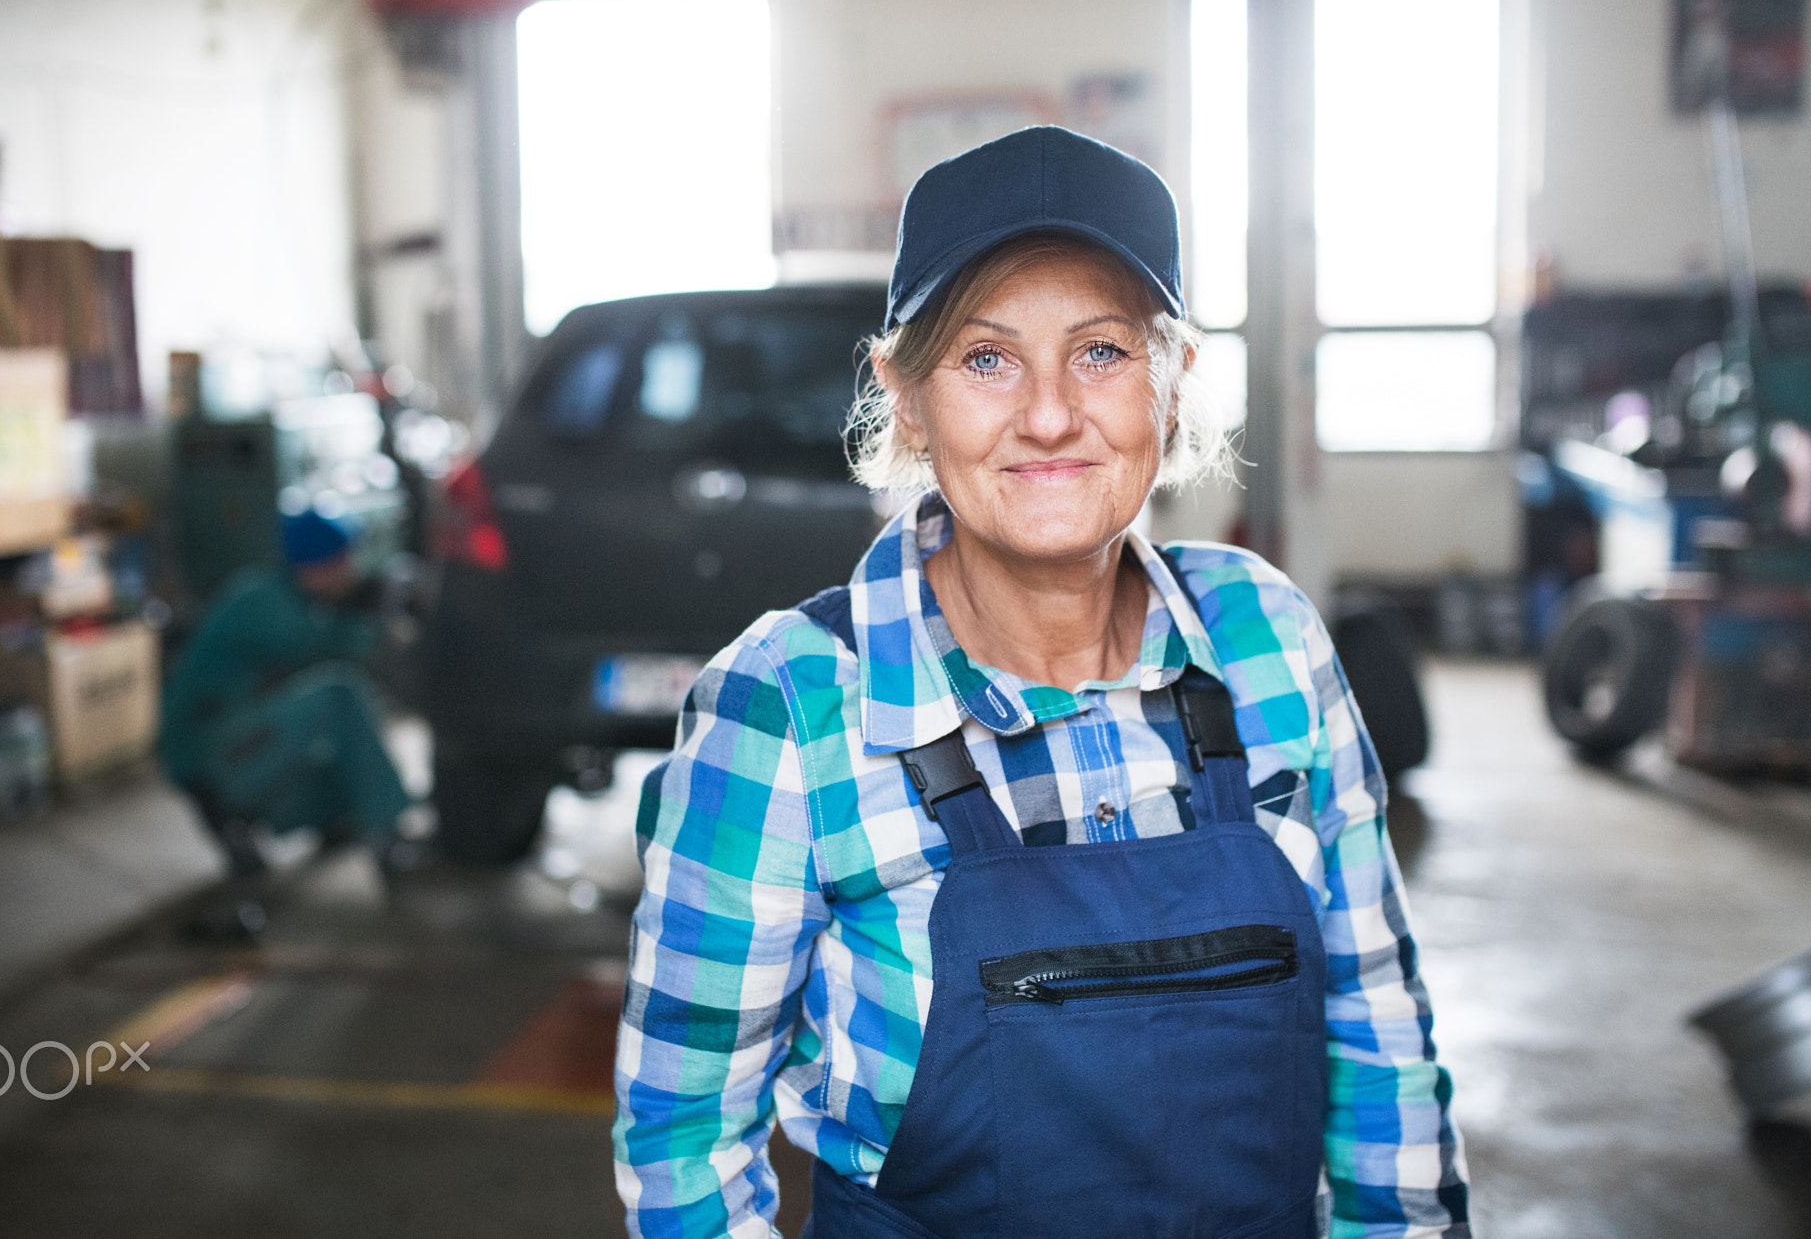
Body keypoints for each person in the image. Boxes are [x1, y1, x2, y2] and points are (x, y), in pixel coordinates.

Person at [613, 126, 1469, 1238]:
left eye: (1103, 351)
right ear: (905, 399)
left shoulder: (1266, 637)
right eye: (984, 358)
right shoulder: (786, 707)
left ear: (1173, 384)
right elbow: (682, 1146)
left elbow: (1375, 1034)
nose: (1052, 413)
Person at [159, 509, 411, 885]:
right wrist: (376, 627)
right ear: (315, 566)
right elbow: (323, 644)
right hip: (212, 756)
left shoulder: (289, 598)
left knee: (354, 777)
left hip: (241, 744)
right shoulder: (264, 603)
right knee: (341, 694)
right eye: (344, 560)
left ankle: (325, 822)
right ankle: (390, 841)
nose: (352, 570)